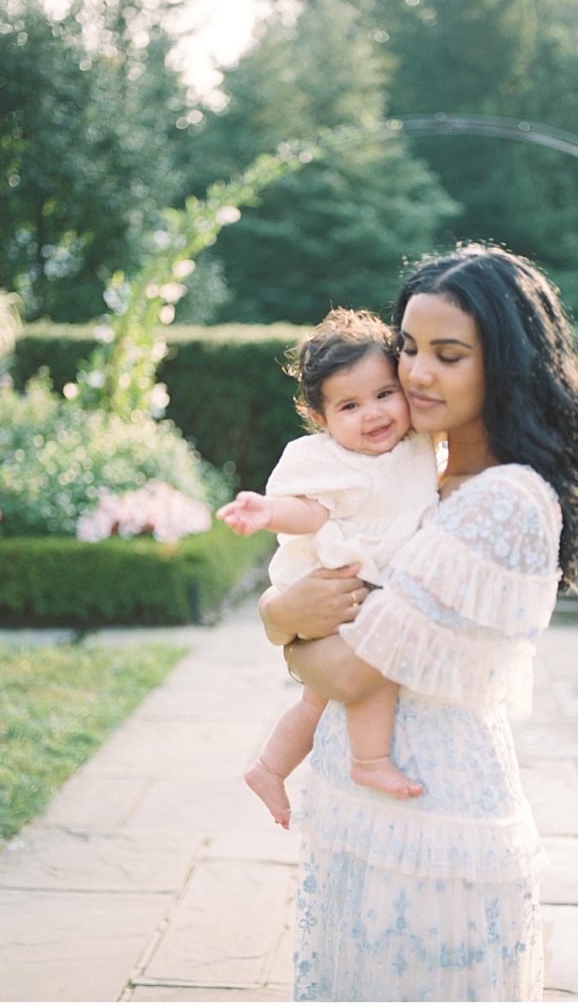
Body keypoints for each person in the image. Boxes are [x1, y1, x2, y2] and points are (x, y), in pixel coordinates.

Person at [258, 243, 578, 1002]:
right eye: (410, 348)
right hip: (359, 803)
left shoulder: (504, 499)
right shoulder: (420, 464)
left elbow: (353, 669)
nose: (416, 374)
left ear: (507, 364)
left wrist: (276, 621)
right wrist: (289, 610)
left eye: (448, 355)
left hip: (434, 813)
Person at [217, 308, 439, 829]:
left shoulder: (419, 448)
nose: (374, 414)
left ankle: (269, 768)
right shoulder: (323, 460)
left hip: (371, 584)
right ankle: (370, 761)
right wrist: (268, 511)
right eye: (350, 405)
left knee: (315, 701)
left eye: (385, 394)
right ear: (321, 418)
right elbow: (309, 511)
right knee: (374, 663)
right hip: (340, 580)